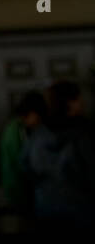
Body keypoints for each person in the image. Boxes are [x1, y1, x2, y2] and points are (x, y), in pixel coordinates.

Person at [23, 81, 95, 232]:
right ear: (72, 102)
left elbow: (26, 168)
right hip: (81, 211)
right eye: (78, 99)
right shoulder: (84, 133)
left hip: (45, 208)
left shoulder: (37, 134)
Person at [0, 90, 46, 209]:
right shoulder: (14, 131)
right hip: (16, 188)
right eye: (37, 117)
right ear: (31, 113)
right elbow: (19, 161)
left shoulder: (24, 129)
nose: (38, 122)